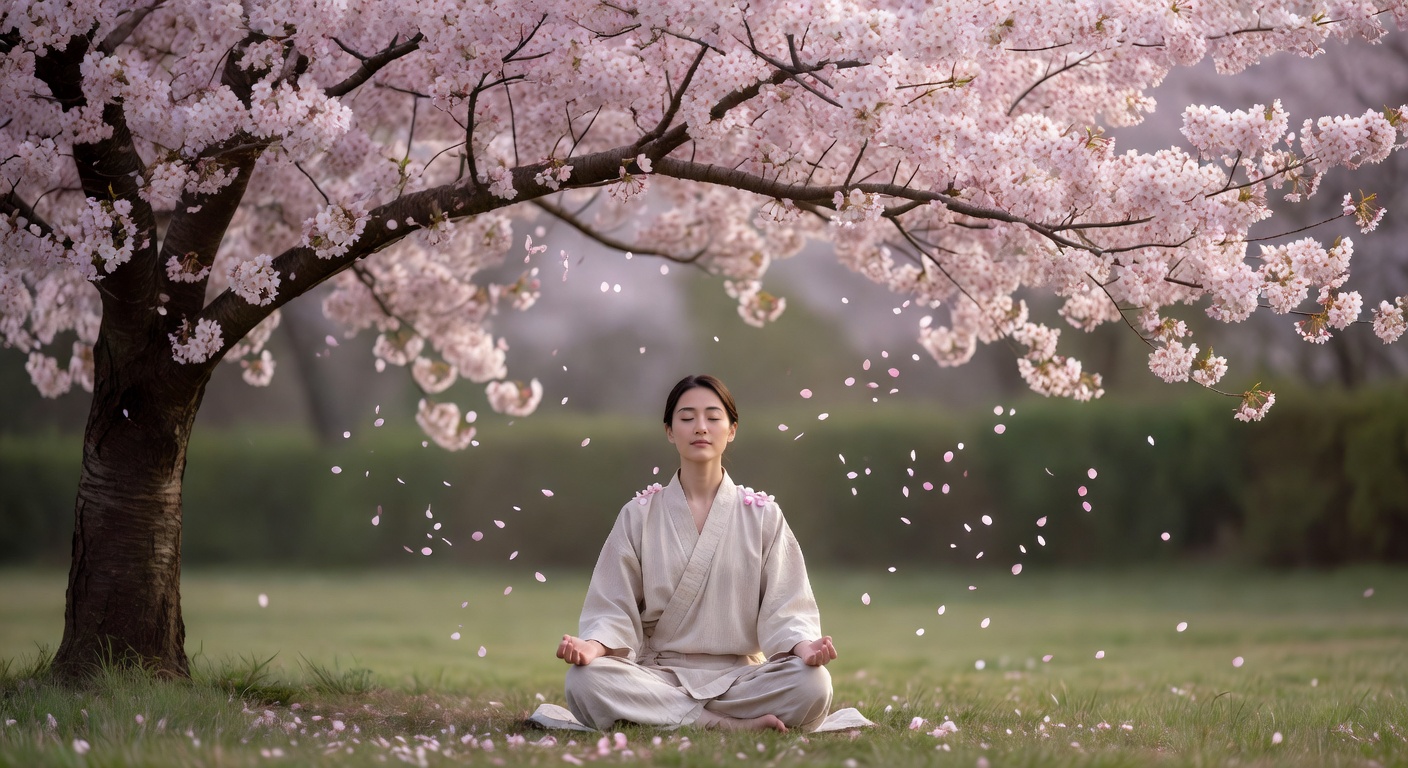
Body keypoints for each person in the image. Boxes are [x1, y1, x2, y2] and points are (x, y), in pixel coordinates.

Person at [556, 374, 837, 732]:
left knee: (812, 684)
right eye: (687, 418)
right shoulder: (639, 514)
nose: (700, 428)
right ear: (670, 431)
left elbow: (787, 605)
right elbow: (612, 605)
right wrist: (594, 647)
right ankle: (723, 725)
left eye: (713, 417)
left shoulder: (763, 516)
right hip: (658, 676)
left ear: (732, 429)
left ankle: (672, 718)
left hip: (741, 679)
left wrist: (802, 647)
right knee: (584, 682)